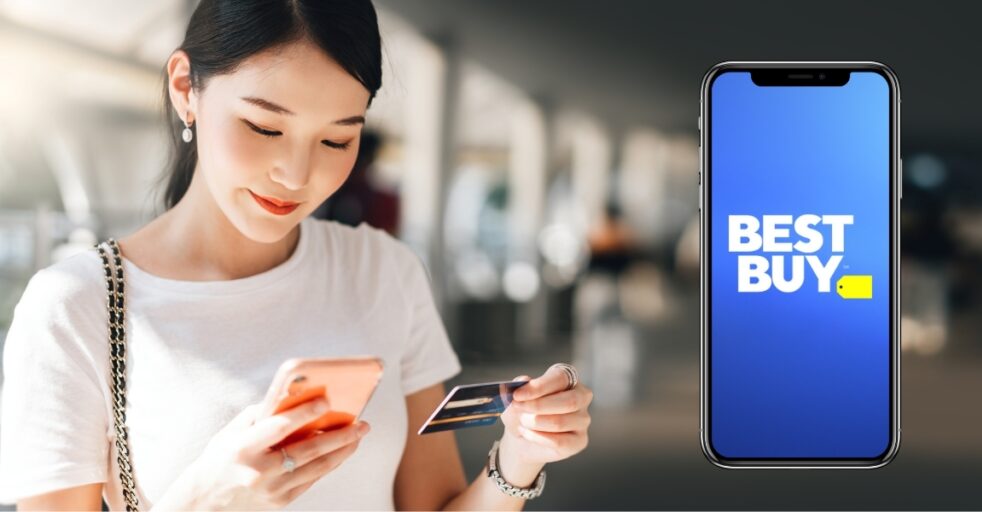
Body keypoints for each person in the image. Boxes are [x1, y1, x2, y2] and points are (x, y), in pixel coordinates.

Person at [0, 1, 593, 509]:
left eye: (337, 139)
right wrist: (206, 501)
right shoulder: (77, 308)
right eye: (263, 127)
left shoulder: (384, 272)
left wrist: (518, 457)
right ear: (186, 89)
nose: (296, 175)